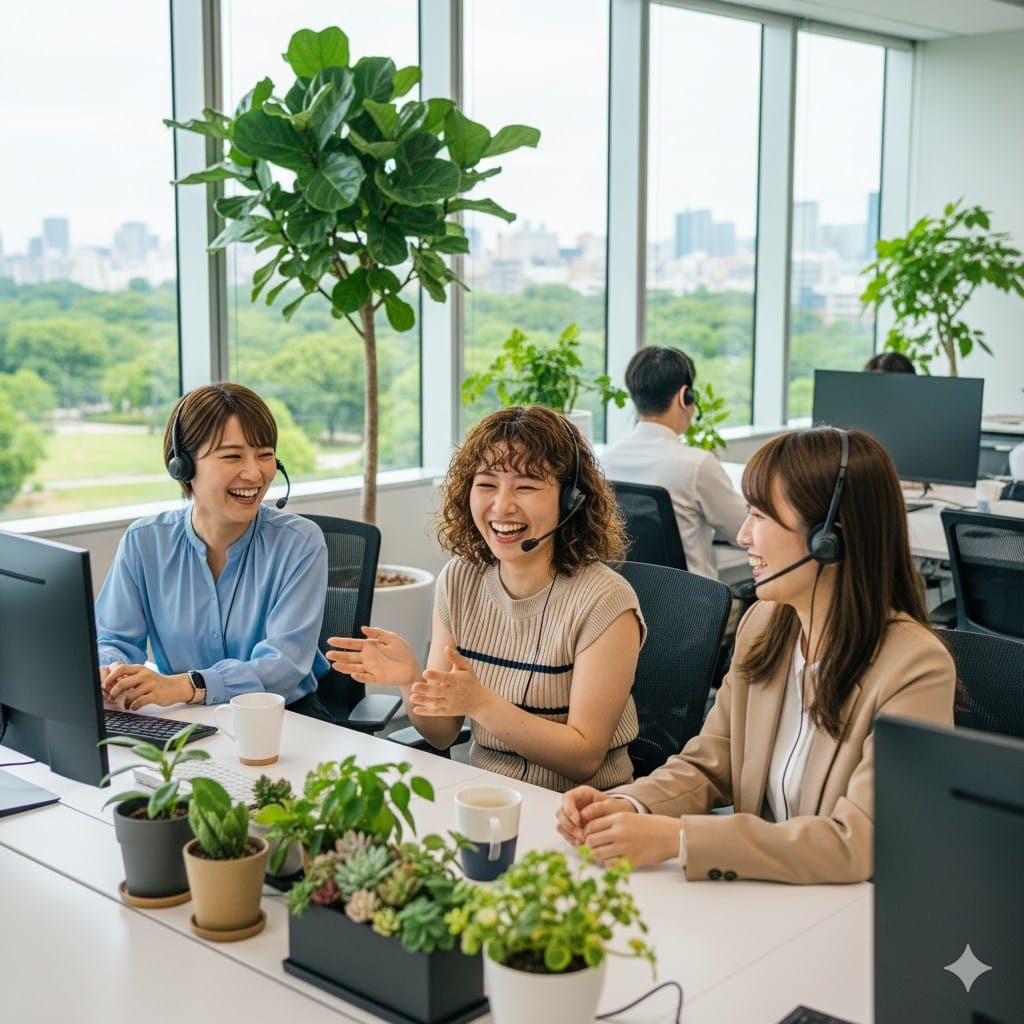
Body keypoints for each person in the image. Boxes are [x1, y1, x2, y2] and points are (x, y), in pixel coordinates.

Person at [556, 426, 957, 884]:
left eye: (761, 516)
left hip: (846, 911)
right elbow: (714, 759)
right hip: (762, 892)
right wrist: (628, 803)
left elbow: (860, 841)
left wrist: (680, 839)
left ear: (830, 538)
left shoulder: (915, 669)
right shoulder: (765, 625)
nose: (743, 535)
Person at [328, 405, 645, 792]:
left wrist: (480, 704)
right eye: (487, 484)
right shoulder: (460, 580)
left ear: (570, 500)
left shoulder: (605, 602)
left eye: (526, 486)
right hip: (483, 796)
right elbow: (443, 735)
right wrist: (410, 679)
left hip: (586, 810)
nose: (502, 506)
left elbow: (583, 758)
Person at [96, 382, 335, 720]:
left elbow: (283, 663)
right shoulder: (144, 542)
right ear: (183, 466)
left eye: (265, 455)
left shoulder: (299, 542)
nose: (254, 473)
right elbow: (113, 639)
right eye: (232, 456)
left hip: (283, 717)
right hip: (183, 716)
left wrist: (186, 686)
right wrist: (111, 674)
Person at [601, 346, 746, 581]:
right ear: (684, 396)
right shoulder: (697, 465)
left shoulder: (604, 462)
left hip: (624, 604)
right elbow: (743, 531)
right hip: (691, 609)